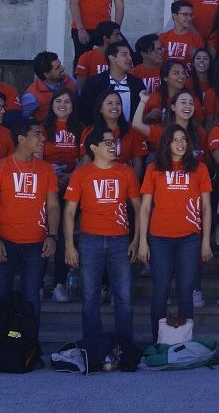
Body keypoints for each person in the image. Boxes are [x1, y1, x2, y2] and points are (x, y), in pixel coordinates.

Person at [63, 125, 142, 342]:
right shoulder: (81, 174)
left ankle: (124, 348)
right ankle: (92, 347)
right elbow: (69, 212)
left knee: (124, 297)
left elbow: (139, 208)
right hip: (89, 240)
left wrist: (136, 239)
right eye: (108, 142)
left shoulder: (126, 172)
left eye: (114, 142)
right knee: (90, 297)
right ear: (94, 148)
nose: (113, 146)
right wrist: (70, 245)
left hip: (120, 239)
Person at [138, 124, 214, 342]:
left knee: (185, 293)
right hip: (159, 238)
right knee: (160, 293)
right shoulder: (154, 168)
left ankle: (185, 344)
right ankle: (158, 343)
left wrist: (205, 241)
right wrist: (143, 241)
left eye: (184, 139)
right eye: (175, 140)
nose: (181, 144)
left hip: (189, 238)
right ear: (166, 143)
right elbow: (145, 207)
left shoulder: (199, 168)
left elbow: (206, 208)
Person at [0, 119, 60, 328]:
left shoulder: (46, 170)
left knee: (32, 297)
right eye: (37, 134)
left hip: (36, 243)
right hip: (4, 241)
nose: (43, 139)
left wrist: (52, 236)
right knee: (1, 296)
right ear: (21, 138)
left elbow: (53, 206)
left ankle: (28, 348)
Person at [42, 87, 82, 302]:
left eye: (67, 101)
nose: (63, 105)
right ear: (52, 104)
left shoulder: (80, 128)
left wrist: (72, 177)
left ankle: (60, 282)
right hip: (48, 189)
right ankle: (40, 284)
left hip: (74, 189)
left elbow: (86, 159)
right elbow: (37, 158)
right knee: (49, 234)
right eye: (58, 101)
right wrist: (52, 177)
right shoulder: (43, 129)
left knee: (66, 235)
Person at [78, 40, 145, 126]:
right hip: (102, 135)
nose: (130, 58)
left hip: (129, 135)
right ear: (112, 59)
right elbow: (86, 113)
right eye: (124, 55)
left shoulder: (137, 83)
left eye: (130, 55)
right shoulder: (94, 83)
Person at [21, 51, 75, 121]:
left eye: (60, 64)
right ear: (46, 74)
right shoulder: (31, 97)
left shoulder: (70, 80)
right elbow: (24, 122)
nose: (63, 68)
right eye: (58, 68)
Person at [74, 21, 124, 93]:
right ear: (105, 38)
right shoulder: (86, 57)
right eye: (116, 35)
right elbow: (80, 88)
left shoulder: (123, 57)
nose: (120, 38)